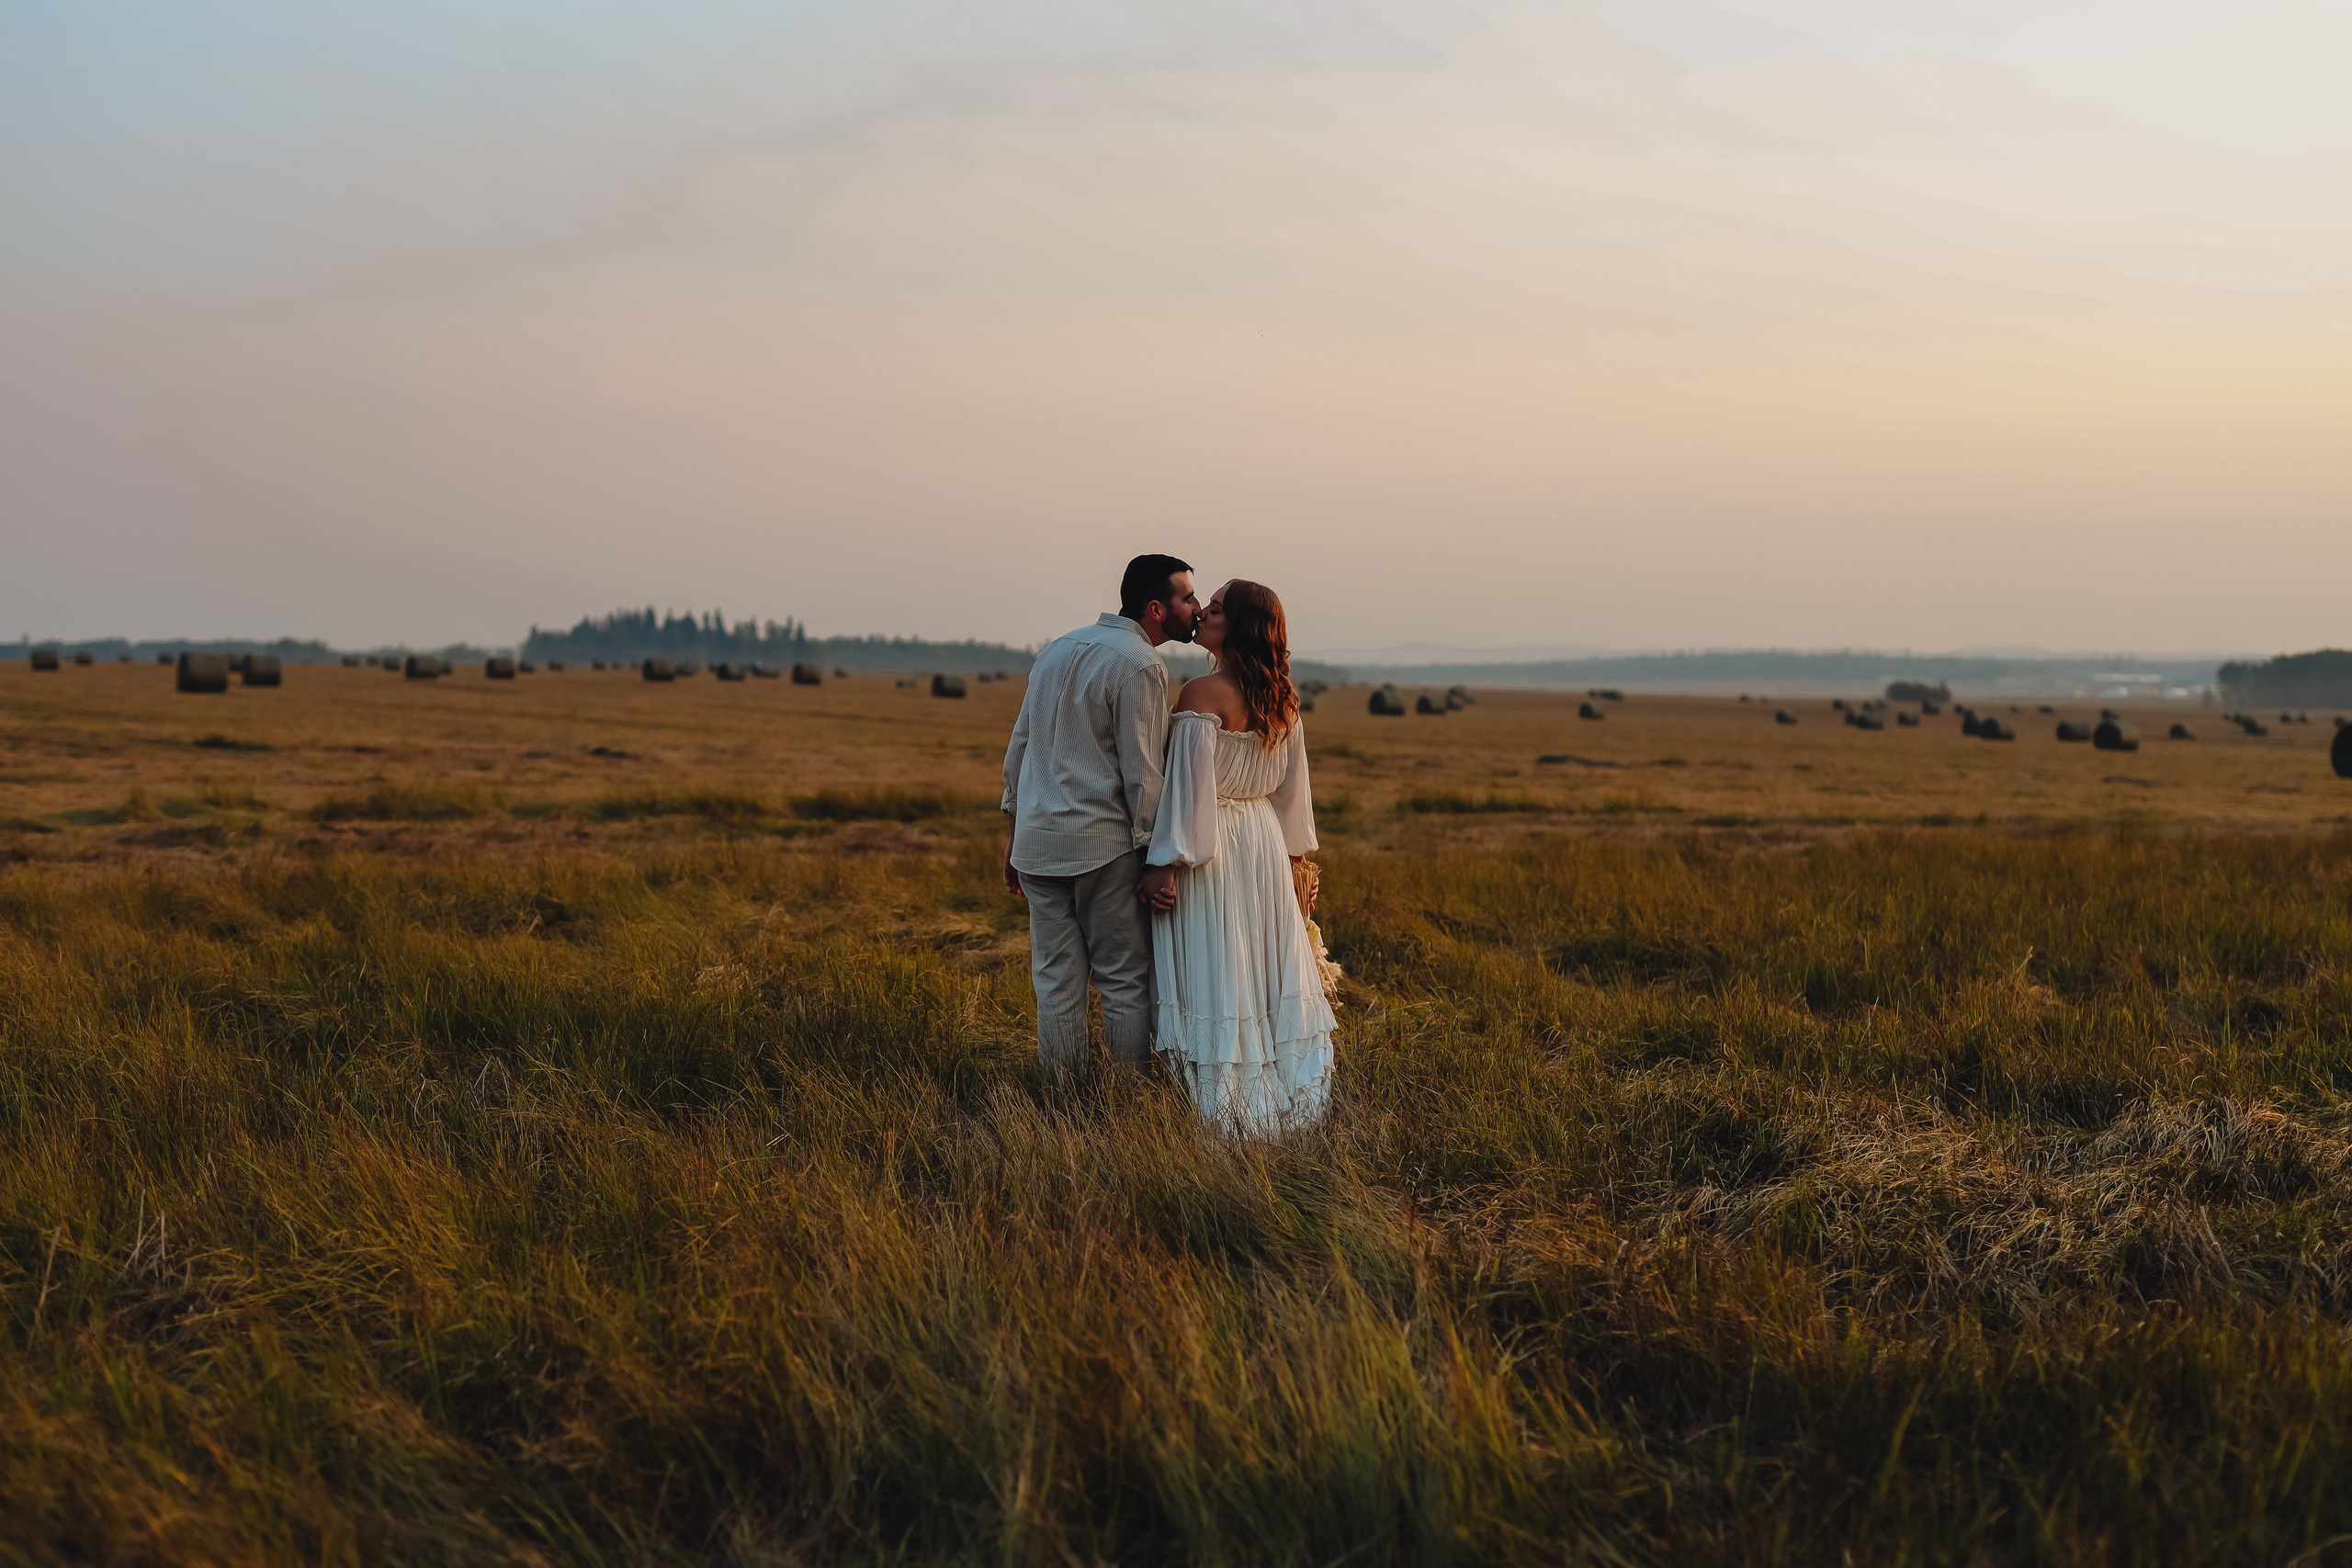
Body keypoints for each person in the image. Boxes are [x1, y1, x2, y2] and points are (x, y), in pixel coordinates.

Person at [1139, 581, 1335, 1134]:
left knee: (1221, 963)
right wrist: (1297, 858)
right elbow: (1294, 794)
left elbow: (1188, 791)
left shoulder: (1200, 693)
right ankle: (1287, 1095)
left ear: (1241, 626)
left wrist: (1165, 860)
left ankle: (1229, 1104)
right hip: (1266, 845)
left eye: (1217, 609)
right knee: (1262, 967)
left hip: (1214, 847)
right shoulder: (1284, 700)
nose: (1202, 612)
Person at [1001, 555, 1200, 1069]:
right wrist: (1158, 859)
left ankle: (1064, 1103)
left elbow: (1020, 748)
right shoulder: (1140, 664)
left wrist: (1014, 834)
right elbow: (1143, 772)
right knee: (1122, 978)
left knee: (1056, 980)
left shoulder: (1054, 650)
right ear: (1156, 609)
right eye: (1187, 598)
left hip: (1038, 843)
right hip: (1103, 846)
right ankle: (1125, 1102)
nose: (1196, 608)